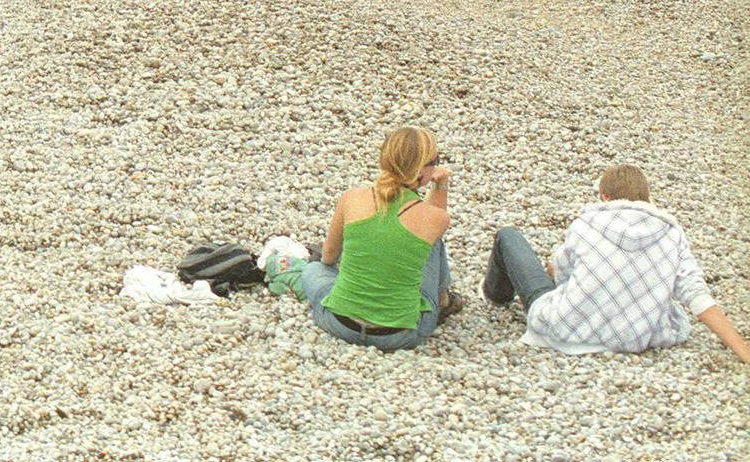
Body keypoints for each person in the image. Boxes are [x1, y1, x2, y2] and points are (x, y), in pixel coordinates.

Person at [484, 164, 750, 363]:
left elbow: (562, 278)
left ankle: (495, 295)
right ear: (646, 199)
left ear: (604, 197)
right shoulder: (671, 232)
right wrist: (743, 351)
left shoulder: (585, 223)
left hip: (567, 330)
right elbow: (698, 298)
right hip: (635, 337)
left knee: (509, 237)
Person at [299, 126, 460, 351]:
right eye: (435, 160)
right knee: (430, 244)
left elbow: (328, 257)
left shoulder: (351, 198)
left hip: (341, 324)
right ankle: (443, 300)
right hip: (400, 335)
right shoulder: (436, 218)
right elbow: (431, 229)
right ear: (422, 170)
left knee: (312, 270)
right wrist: (440, 184)